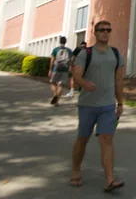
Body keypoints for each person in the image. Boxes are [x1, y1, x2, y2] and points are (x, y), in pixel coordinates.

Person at [70, 20, 125, 192]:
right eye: (102, 30)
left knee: (107, 140)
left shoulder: (116, 54)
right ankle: (76, 171)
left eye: (108, 30)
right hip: (87, 105)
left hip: (107, 106)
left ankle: (110, 180)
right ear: (95, 32)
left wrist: (120, 102)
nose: (105, 33)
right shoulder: (85, 54)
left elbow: (118, 80)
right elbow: (76, 74)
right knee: (83, 138)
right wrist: (84, 83)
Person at [49, 36, 73, 105]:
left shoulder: (55, 49)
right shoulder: (69, 50)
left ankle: (55, 94)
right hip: (65, 69)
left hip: (56, 69)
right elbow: (71, 60)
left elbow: (52, 60)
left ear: (60, 41)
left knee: (53, 83)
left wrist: (50, 69)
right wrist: (70, 68)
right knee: (61, 85)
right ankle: (56, 102)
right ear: (65, 42)